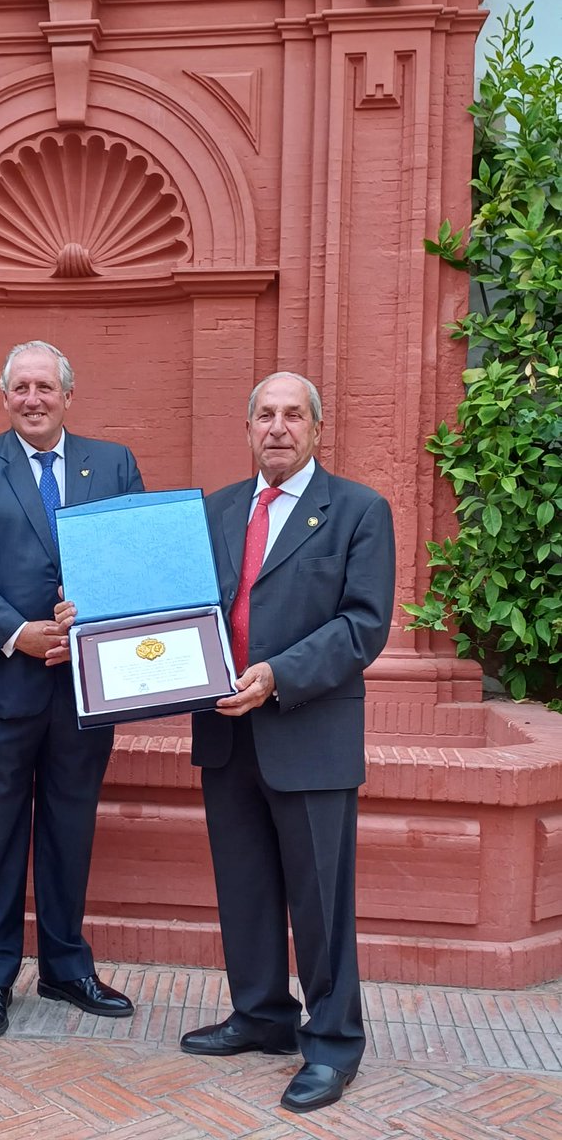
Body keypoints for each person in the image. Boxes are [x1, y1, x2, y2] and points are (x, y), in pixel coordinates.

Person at [177, 372, 395, 1113]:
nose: (278, 427)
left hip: (308, 732)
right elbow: (177, 606)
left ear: (316, 429)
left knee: (320, 901)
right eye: (265, 414)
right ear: (247, 428)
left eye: (293, 415)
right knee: (244, 886)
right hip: (225, 731)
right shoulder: (216, 510)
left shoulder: (359, 510)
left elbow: (363, 626)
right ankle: (262, 1014)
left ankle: (331, 1043)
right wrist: (102, 616)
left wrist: (277, 676)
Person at [0, 340, 143, 1041]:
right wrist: (17, 632)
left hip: (86, 685)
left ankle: (65, 967)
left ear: (67, 395)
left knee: (69, 828)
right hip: (2, 682)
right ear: (4, 395)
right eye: (20, 387)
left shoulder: (114, 463)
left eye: (45, 386)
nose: (32, 399)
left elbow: (135, 556)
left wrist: (99, 616)